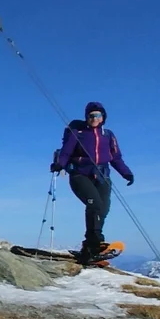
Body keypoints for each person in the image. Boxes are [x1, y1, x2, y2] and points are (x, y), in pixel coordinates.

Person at [51, 101, 134, 262]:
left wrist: (126, 173)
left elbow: (116, 158)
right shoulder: (78, 132)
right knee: (95, 205)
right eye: (91, 115)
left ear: (103, 117)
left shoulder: (108, 135)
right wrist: (60, 164)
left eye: (97, 115)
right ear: (86, 117)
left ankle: (90, 246)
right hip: (80, 175)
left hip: (102, 177)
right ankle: (95, 243)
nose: (94, 118)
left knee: (103, 208)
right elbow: (67, 151)